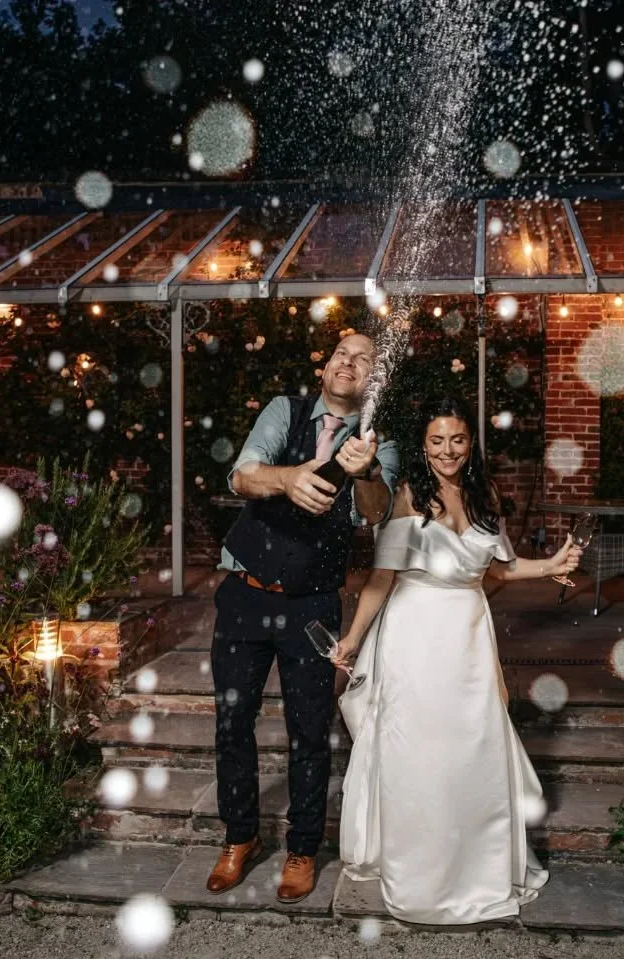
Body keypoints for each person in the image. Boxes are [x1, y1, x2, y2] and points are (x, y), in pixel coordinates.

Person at [330, 396, 582, 925]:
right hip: (414, 636)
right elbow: (383, 577)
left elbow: (497, 572)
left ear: (471, 444)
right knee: (419, 754)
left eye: (458, 439)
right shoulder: (406, 496)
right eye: (437, 441)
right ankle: (420, 875)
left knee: (471, 749)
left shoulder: (484, 493)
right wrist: (352, 639)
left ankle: (476, 870)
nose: (448, 451)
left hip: (468, 640)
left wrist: (553, 564)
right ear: (424, 447)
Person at [206, 331, 399, 904]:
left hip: (313, 606)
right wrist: (288, 478)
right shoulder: (283, 412)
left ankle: (302, 848)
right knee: (231, 724)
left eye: (363, 359)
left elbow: (376, 513)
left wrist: (363, 474)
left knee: (309, 733)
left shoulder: (375, 444)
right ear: (325, 367)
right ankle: (240, 838)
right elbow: (240, 475)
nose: (350, 363)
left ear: (371, 381)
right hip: (245, 595)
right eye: (342, 354)